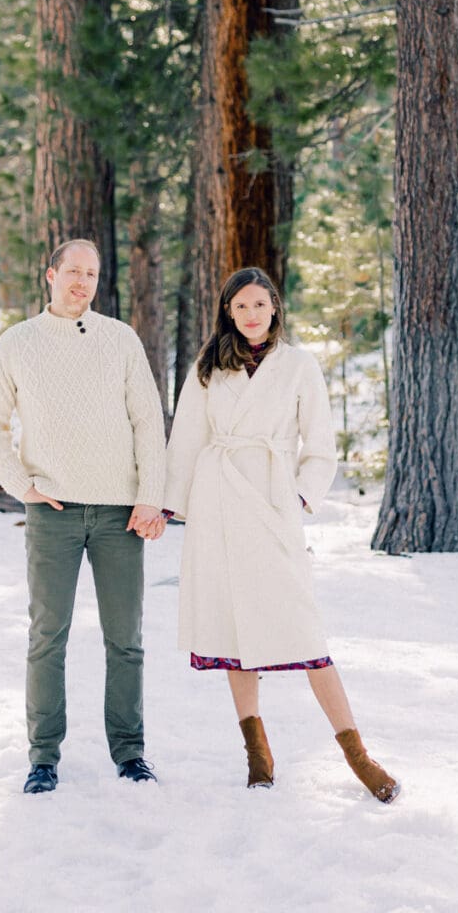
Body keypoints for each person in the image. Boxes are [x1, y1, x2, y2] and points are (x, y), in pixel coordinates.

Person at [164, 267, 399, 803]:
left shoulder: (299, 366)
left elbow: (320, 446)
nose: (251, 315)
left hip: (272, 504)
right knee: (234, 635)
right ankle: (258, 757)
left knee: (306, 637)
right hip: (219, 504)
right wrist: (167, 504)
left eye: (260, 305)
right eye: (241, 306)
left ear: (275, 309)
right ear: (228, 310)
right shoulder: (209, 367)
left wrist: (295, 500)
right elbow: (185, 443)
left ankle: (359, 758)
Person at [0, 238, 167, 794]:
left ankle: (130, 753)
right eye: (73, 272)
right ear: (50, 276)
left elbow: (148, 424)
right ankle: (42, 758)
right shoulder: (17, 343)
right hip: (53, 513)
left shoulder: (120, 340)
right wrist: (22, 486)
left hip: (119, 513)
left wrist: (149, 496)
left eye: (92, 273)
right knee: (47, 636)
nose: (82, 282)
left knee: (125, 639)